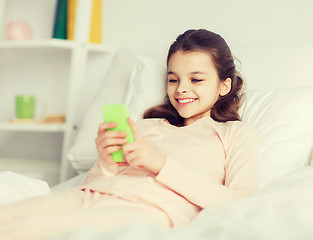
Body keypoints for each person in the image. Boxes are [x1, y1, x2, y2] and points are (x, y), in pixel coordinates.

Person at [0, 29, 259, 239]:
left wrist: (160, 163)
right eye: (173, 79)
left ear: (224, 85)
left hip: (146, 210)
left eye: (196, 80)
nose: (181, 89)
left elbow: (238, 202)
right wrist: (106, 161)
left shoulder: (235, 134)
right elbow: (92, 184)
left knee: (31, 231)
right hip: (90, 196)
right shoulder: (147, 125)